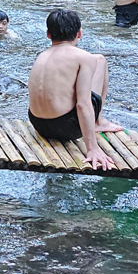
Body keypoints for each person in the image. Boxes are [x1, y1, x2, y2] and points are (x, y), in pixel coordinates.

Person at [27, 9, 121, 169]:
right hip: (65, 128)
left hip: (38, 124)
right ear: (79, 33)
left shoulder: (41, 56)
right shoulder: (83, 57)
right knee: (101, 61)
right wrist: (92, 149)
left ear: (48, 34)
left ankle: (99, 121)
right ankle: (98, 122)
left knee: (98, 59)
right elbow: (83, 104)